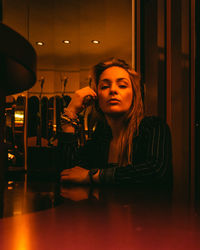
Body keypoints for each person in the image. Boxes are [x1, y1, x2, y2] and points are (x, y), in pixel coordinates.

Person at [59, 58, 173, 185]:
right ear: (97, 98)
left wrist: (93, 176)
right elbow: (69, 173)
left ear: (134, 95)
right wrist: (70, 113)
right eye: (105, 86)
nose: (113, 90)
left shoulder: (153, 127)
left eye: (122, 85)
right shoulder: (101, 136)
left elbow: (155, 171)